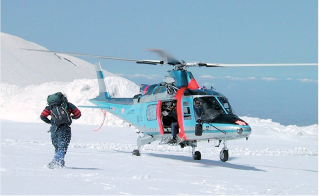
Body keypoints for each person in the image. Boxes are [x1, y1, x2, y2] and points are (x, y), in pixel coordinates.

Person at [40, 92, 81, 169]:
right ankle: (57, 162)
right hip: (65, 128)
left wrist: (50, 122)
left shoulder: (50, 107)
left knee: (57, 147)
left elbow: (42, 116)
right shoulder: (68, 105)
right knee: (63, 147)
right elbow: (78, 114)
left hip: (54, 129)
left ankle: (59, 163)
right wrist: (73, 117)